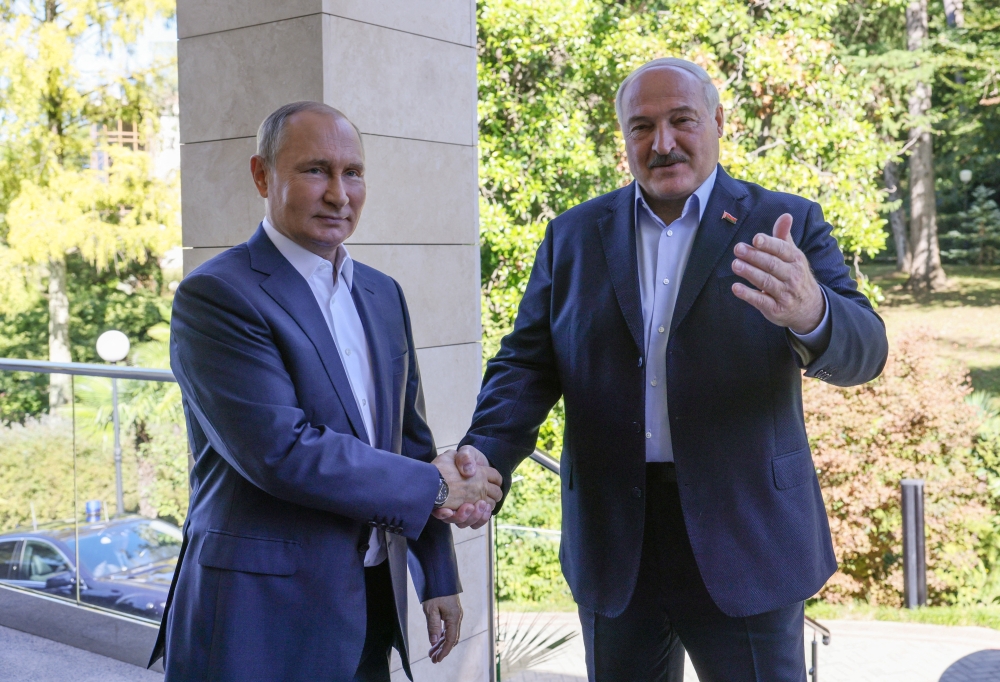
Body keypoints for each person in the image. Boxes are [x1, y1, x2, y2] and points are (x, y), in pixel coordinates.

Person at [456, 58, 889, 681]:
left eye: (681, 120)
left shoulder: (784, 222)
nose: (662, 143)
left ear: (716, 121)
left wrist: (813, 311)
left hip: (747, 539)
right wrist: (485, 458)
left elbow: (867, 349)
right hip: (614, 544)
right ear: (624, 138)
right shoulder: (573, 236)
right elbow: (526, 365)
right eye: (642, 126)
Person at [148, 101, 503, 682]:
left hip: (366, 608)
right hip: (256, 620)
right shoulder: (217, 295)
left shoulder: (382, 295)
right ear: (263, 175)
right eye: (316, 170)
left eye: (353, 173)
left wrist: (437, 572)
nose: (340, 194)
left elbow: (411, 442)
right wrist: (442, 482)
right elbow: (281, 451)